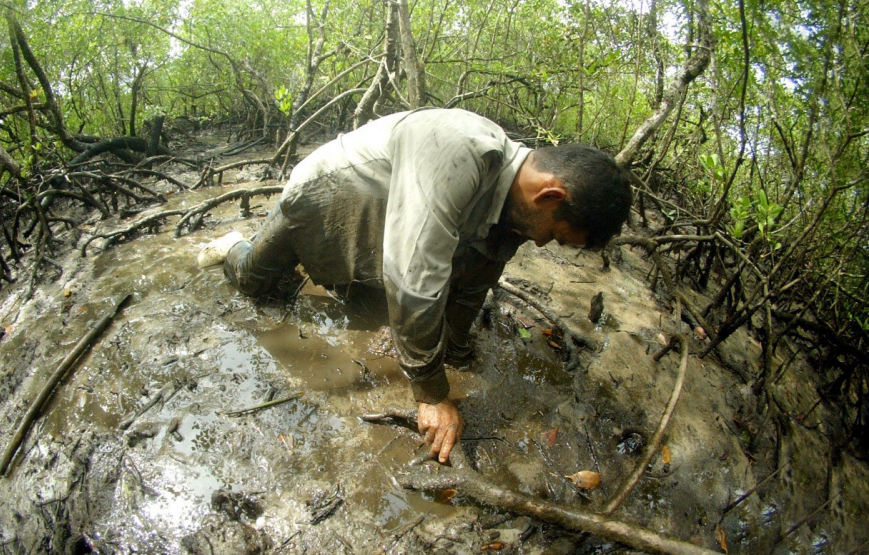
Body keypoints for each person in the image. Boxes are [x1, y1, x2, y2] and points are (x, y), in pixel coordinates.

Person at [215, 108, 632, 463]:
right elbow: (411, 281)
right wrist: (432, 394)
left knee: (371, 305)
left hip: (382, 223)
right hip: (322, 195)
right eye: (554, 235)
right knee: (255, 282)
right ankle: (232, 244)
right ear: (550, 196)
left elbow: (476, 280)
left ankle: (343, 278)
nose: (541, 244)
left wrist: (457, 351)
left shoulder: (521, 204)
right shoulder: (460, 150)